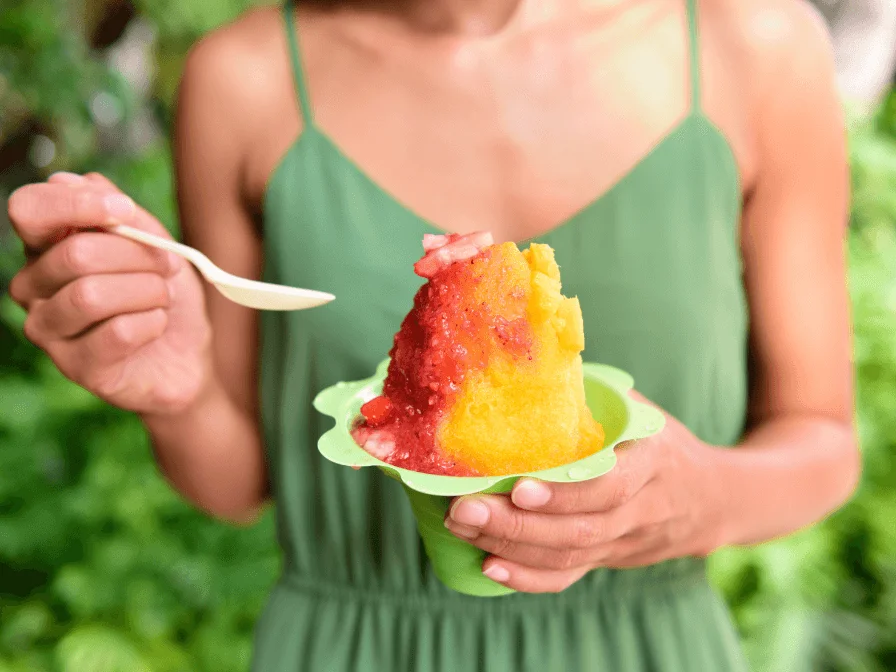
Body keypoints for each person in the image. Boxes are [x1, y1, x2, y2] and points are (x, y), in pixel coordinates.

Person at [7, 0, 858, 669]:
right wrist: (179, 391)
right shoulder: (245, 79)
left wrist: (700, 500)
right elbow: (237, 485)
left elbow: (822, 439)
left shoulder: (756, 48)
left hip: (646, 650)